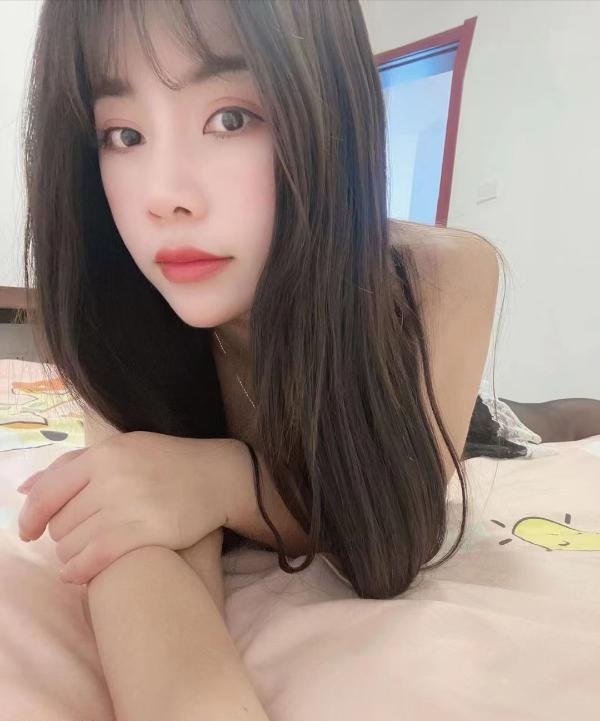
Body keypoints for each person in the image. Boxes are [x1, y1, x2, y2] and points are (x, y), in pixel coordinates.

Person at [19, 0, 501, 717]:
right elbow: (136, 541)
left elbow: (394, 520)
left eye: (231, 119)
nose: (165, 197)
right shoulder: (115, 308)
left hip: (458, 418)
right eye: (124, 134)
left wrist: (219, 479)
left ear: (330, 113)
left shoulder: (442, 277)